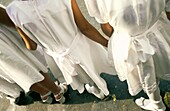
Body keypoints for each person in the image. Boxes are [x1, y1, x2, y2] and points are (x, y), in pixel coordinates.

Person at [6, 0, 116, 99]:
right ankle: (97, 86)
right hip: (79, 46)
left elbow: (31, 46)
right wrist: (108, 44)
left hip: (56, 55)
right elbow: (85, 28)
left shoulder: (12, 10)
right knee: (91, 66)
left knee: (78, 74)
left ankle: (93, 88)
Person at [84, 0, 170, 110]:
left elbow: (105, 26)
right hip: (158, 30)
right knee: (157, 63)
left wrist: (121, 39)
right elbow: (168, 10)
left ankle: (157, 104)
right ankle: (157, 101)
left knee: (146, 73)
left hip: (128, 40)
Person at [0, 4, 67, 104]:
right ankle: (57, 91)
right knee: (29, 64)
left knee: (17, 72)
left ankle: (44, 92)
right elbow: (6, 17)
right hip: (5, 42)